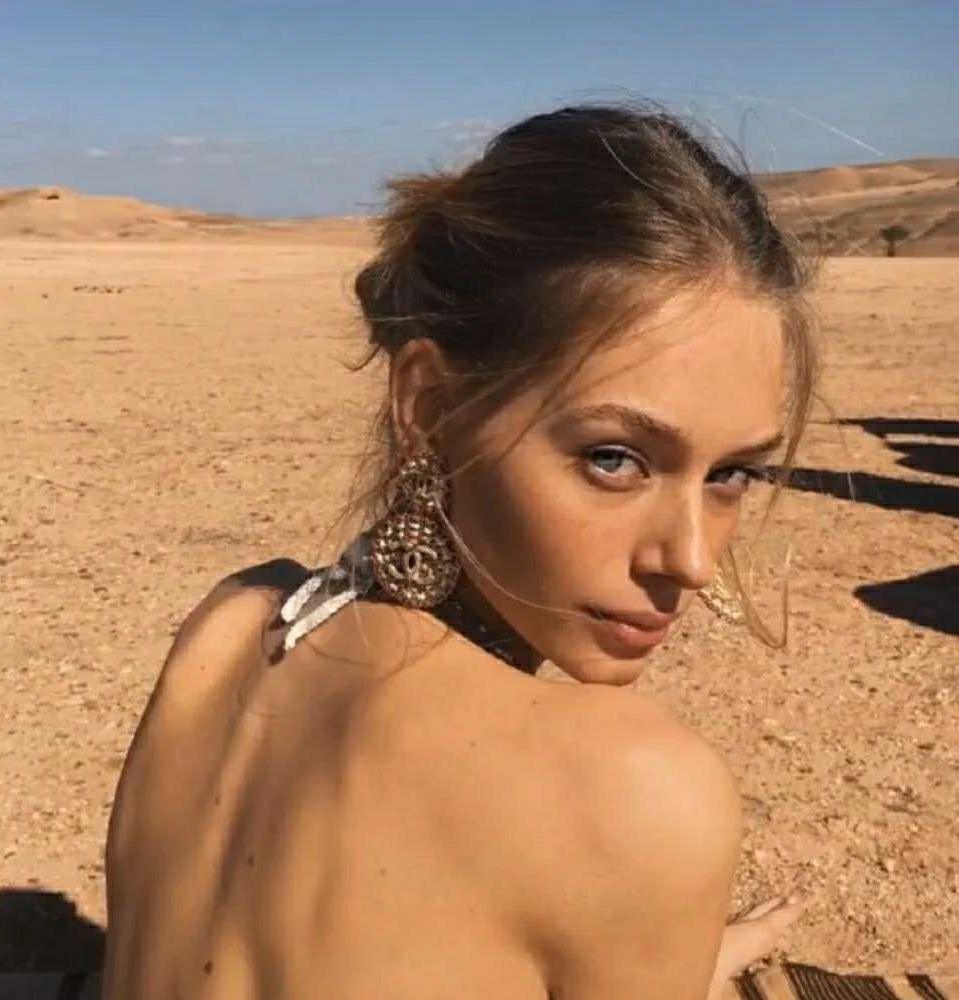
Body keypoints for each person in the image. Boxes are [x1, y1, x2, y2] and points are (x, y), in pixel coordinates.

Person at [102, 103, 818, 999]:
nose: (692, 561)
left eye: (732, 474)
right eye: (614, 459)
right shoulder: (627, 790)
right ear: (432, 409)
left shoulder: (229, 627)